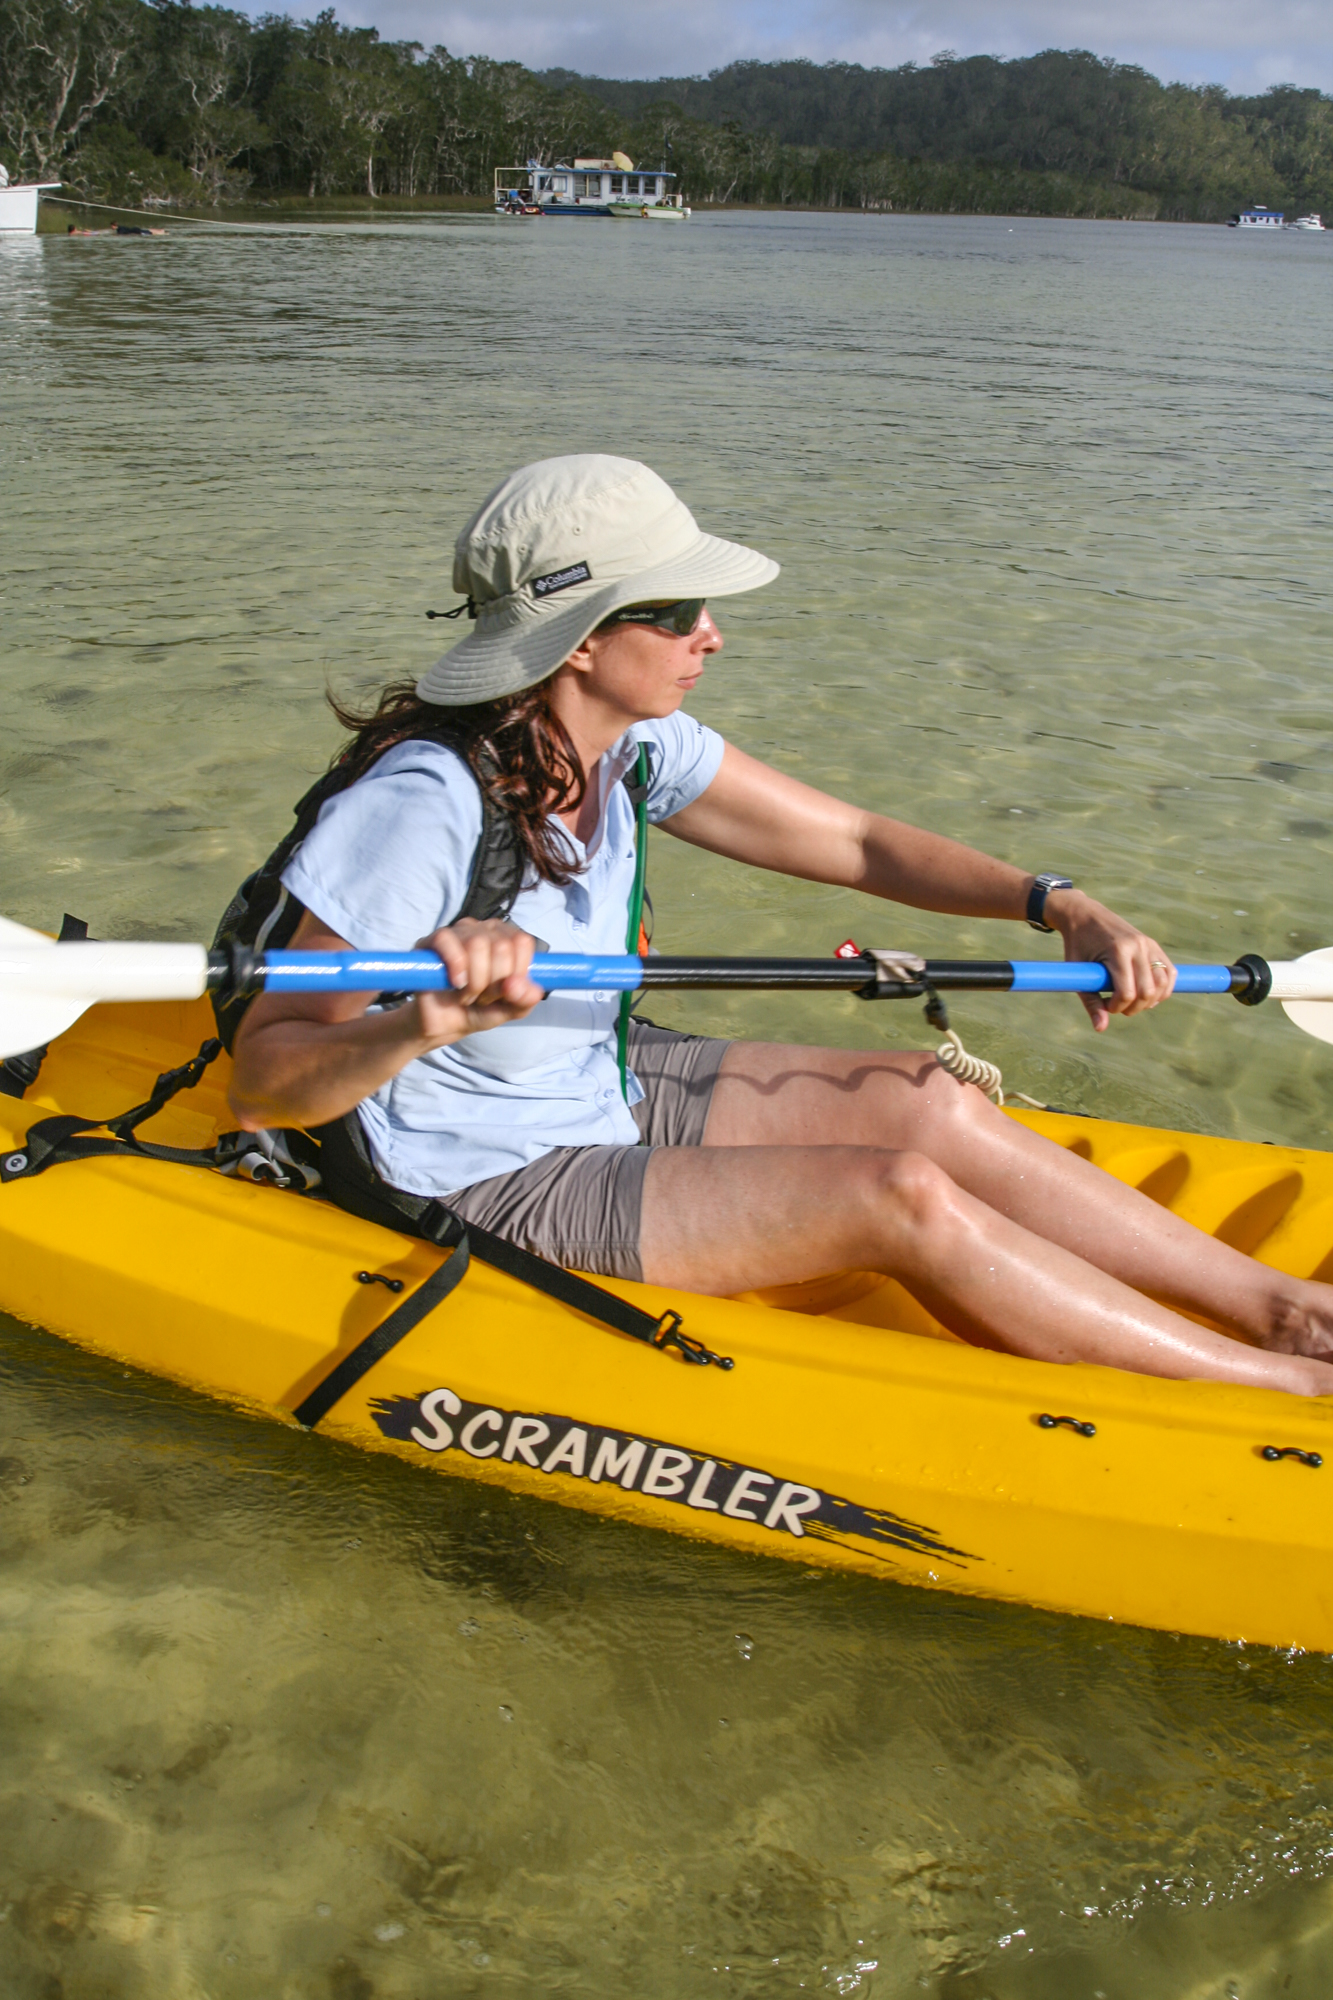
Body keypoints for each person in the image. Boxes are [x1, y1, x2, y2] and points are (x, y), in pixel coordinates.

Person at [228, 454, 1333, 1396]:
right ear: (576, 639)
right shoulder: (423, 802)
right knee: (891, 1195)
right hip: (473, 1165)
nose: (709, 633)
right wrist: (422, 1019)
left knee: (923, 1098)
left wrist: (1057, 903)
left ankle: (1286, 1310)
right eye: (672, 612)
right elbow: (269, 1078)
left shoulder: (636, 745)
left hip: (591, 1072)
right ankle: (1286, 1387)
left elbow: (855, 843)